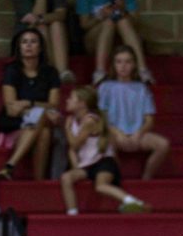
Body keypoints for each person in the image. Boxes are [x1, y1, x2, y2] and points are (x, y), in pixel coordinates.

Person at [60, 86, 149, 215]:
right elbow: (72, 150)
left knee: (100, 185)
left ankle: (134, 202)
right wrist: (76, 167)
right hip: (88, 164)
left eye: (71, 98)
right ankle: (72, 212)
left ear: (82, 103)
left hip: (103, 162)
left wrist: (67, 129)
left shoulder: (90, 120)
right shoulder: (73, 120)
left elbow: (74, 144)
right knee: (66, 178)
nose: (67, 100)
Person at [0, 29, 61, 181]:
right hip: (15, 126)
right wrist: (40, 110)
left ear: (40, 47)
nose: (29, 45)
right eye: (24, 42)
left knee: (44, 129)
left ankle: (10, 166)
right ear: (19, 47)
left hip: (39, 123)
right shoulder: (12, 70)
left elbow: (54, 105)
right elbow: (11, 110)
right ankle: (37, 180)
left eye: (33, 41)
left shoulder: (51, 72)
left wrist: (28, 103)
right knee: (42, 126)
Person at [98, 45, 170, 181]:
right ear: (113, 64)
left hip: (137, 134)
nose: (123, 66)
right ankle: (116, 177)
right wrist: (117, 133)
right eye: (119, 62)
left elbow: (149, 119)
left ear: (134, 64)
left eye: (128, 62)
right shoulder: (105, 87)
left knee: (163, 144)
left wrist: (139, 133)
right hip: (115, 133)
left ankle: (147, 177)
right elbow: (103, 118)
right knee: (105, 143)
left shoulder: (142, 88)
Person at [76, 0, 153, 86]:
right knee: (109, 21)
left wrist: (123, 10)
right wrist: (100, 16)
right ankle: (100, 72)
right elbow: (84, 25)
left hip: (119, 43)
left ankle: (142, 70)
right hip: (94, 39)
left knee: (123, 20)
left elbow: (135, 22)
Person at [10, 0, 73, 83]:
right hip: (26, 36)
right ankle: (49, 72)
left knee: (56, 24)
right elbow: (33, 21)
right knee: (41, 28)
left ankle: (62, 72)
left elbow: (61, 14)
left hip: (53, 33)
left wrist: (41, 18)